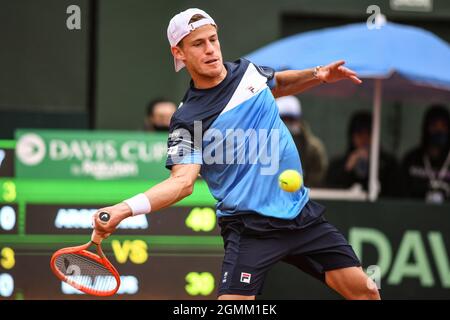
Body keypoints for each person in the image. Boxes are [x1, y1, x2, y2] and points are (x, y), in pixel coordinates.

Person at [92, 8, 380, 300]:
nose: (210, 50)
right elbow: (181, 183)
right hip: (250, 228)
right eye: (198, 44)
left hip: (300, 215)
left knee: (366, 292)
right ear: (178, 53)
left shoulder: (247, 73)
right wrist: (123, 209)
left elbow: (279, 84)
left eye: (213, 40)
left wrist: (318, 75)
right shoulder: (187, 120)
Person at [326, 111, 399, 197]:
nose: (364, 139)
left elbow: (394, 193)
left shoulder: (389, 164)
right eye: (359, 134)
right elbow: (330, 192)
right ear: (352, 136)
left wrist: (375, 167)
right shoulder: (338, 165)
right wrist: (347, 169)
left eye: (369, 133)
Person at [401, 104, 450, 203]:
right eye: (434, 125)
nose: (439, 130)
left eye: (443, 126)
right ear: (426, 128)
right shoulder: (411, 159)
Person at [276, 95, 328, 187]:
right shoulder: (265, 144)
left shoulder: (313, 147)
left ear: (298, 119)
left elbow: (318, 174)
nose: (287, 123)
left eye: (291, 119)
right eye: (283, 119)